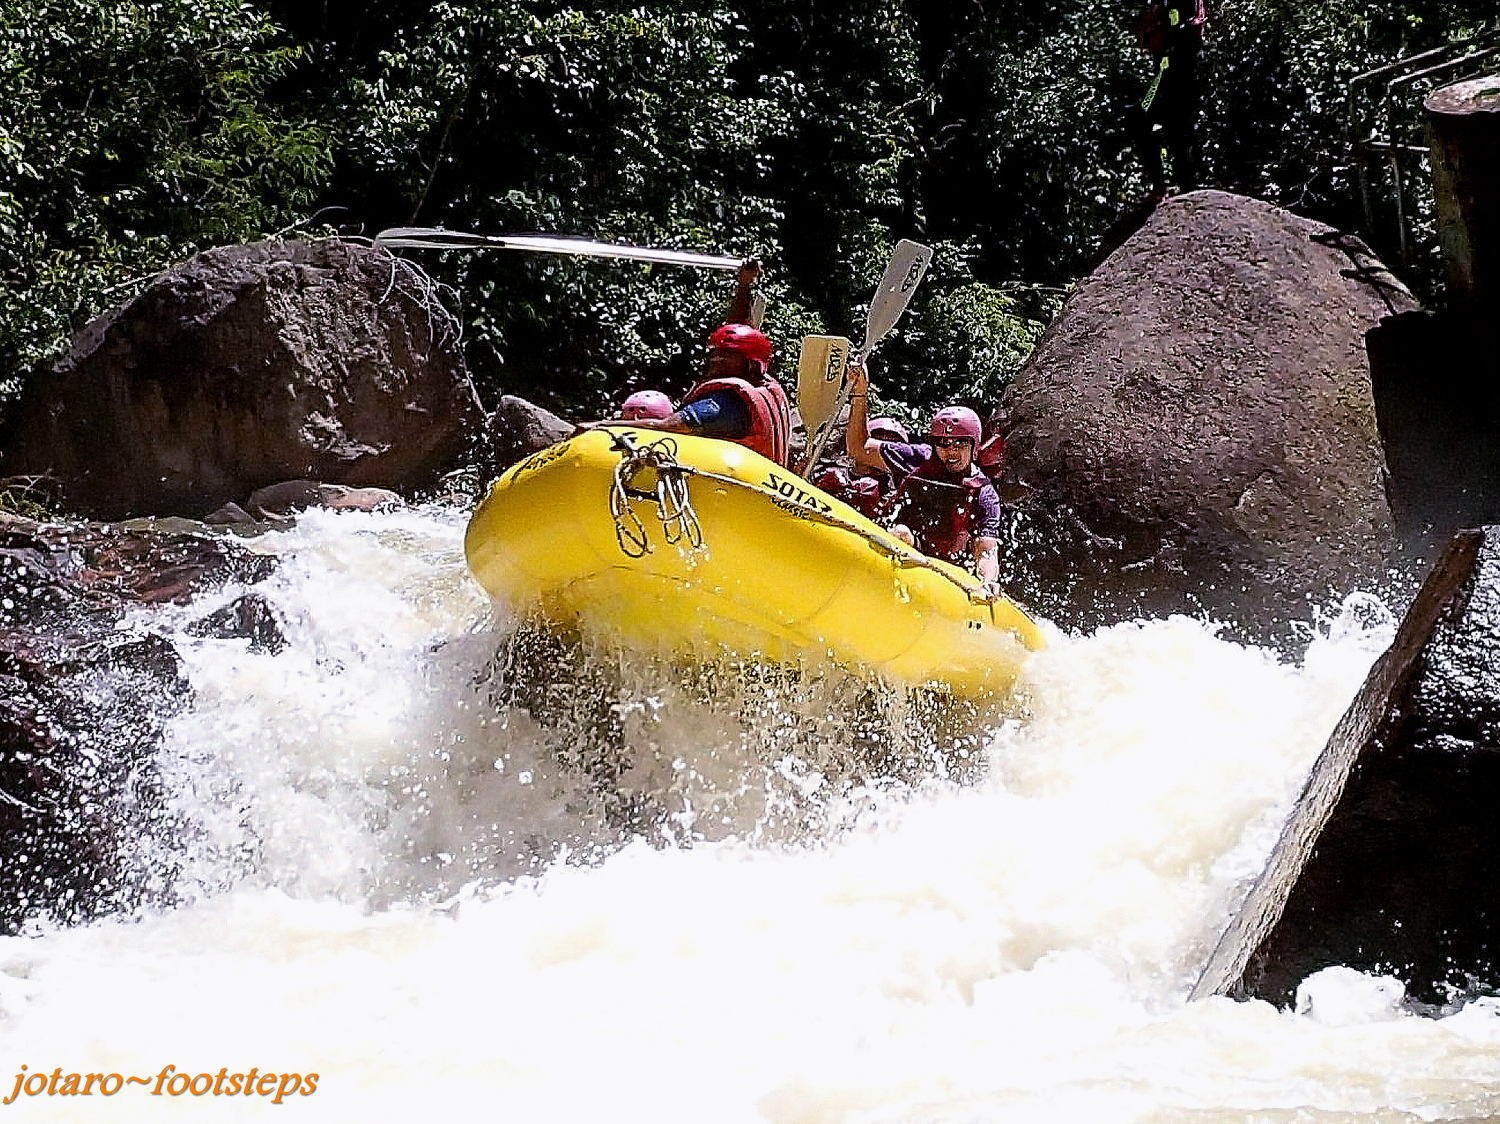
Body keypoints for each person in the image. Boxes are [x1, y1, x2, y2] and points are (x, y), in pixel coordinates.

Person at [844, 361, 1002, 594]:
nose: (951, 451)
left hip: (945, 569)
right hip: (903, 541)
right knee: (900, 532)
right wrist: (859, 395)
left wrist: (987, 581)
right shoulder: (919, 459)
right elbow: (859, 448)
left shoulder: (983, 492)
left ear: (974, 446)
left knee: (901, 535)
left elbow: (986, 548)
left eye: (960, 444)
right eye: (944, 443)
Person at [616, 260, 793, 466]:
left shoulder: (726, 402)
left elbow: (670, 426)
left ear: (748, 362)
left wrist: (602, 426)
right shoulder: (760, 381)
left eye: (726, 355)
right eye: (716, 352)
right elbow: (740, 332)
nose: (716, 358)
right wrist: (744, 285)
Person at [1131, 0, 1208, 196]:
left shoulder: (1184, 4)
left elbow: (1193, 29)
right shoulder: (1164, 4)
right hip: (1166, 73)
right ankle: (1164, 185)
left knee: (1176, 132)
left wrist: (1167, 33)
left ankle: (1181, 187)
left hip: (1182, 75)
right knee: (1148, 124)